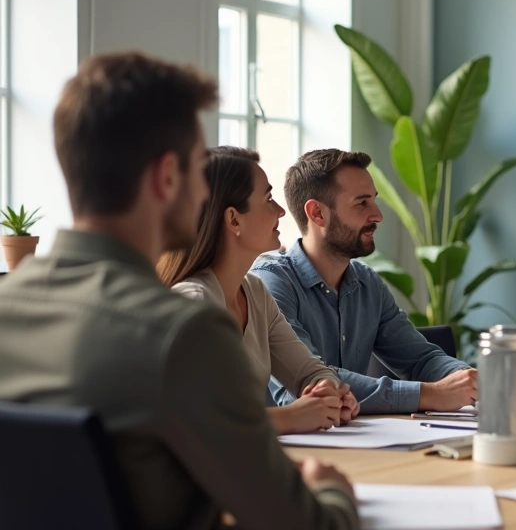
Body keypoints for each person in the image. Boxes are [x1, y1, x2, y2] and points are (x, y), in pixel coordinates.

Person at [0, 52, 359, 529]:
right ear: (167, 177)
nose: (201, 194)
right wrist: (330, 487)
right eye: (196, 169)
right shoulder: (182, 332)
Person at [251, 149, 477, 414]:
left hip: (359, 443)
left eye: (374, 201)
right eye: (361, 203)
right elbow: (307, 386)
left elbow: (420, 359)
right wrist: (428, 395)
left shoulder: (368, 283)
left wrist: (470, 381)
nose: (378, 215)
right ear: (317, 213)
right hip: (285, 450)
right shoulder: (270, 281)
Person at [159, 146, 361, 434]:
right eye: (268, 198)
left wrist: (328, 392)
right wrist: (292, 416)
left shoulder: (254, 291)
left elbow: (308, 371)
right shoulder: (193, 302)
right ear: (233, 220)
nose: (280, 210)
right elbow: (198, 421)